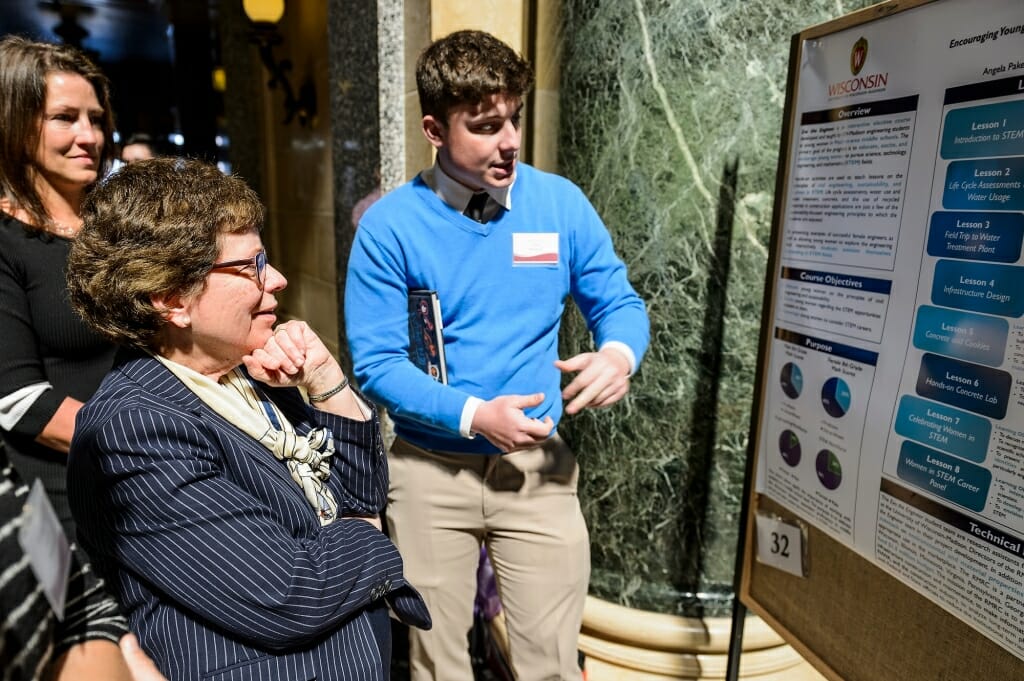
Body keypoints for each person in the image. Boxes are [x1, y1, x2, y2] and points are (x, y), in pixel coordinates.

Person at [345, 29, 650, 681]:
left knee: (550, 663)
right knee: (438, 664)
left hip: (537, 472)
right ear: (434, 127)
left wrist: (619, 354)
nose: (509, 140)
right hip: (430, 472)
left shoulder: (558, 204)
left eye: (513, 118)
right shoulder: (389, 227)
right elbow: (376, 363)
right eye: (485, 125)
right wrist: (475, 413)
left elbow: (617, 300)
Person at [65, 157, 431, 681]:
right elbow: (290, 593)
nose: (277, 280)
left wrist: (326, 381)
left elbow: (361, 493)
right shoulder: (134, 429)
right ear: (171, 299)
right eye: (250, 267)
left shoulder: (245, 373)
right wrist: (368, 530)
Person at [0, 36, 140, 678]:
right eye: (65, 118)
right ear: (14, 120)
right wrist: (149, 444)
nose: (89, 135)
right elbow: (16, 399)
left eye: (96, 118)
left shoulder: (113, 233)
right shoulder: (6, 239)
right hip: (53, 506)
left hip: (141, 498)